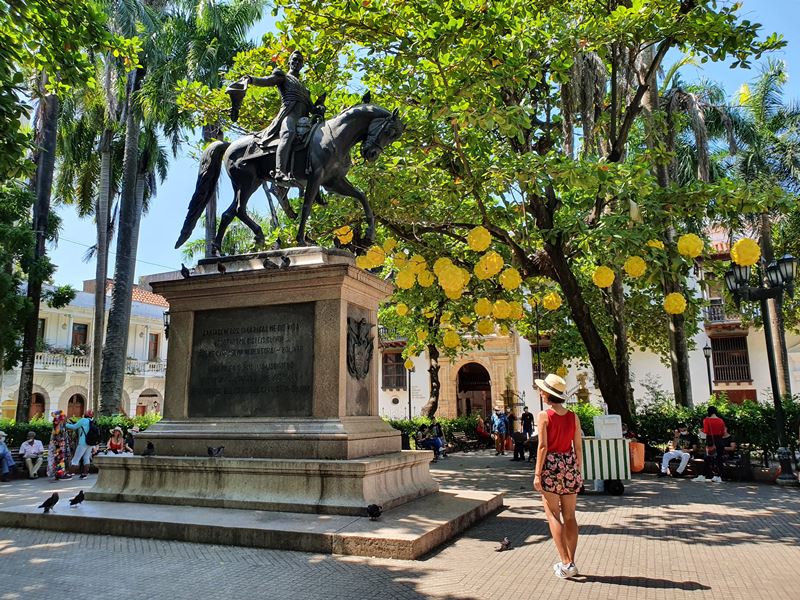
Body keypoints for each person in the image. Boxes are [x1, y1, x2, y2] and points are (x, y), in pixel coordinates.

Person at [532, 374, 583, 579]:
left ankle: (565, 562)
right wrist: (577, 468)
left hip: (551, 466)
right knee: (570, 515)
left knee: (552, 514)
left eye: (543, 390)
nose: (541, 392)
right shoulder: (573, 416)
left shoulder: (544, 415)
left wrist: (537, 474)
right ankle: (571, 560)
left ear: (548, 395)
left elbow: (542, 446)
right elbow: (578, 446)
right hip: (569, 464)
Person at [243, 50, 312, 184]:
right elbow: (267, 81)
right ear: (289, 62)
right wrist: (251, 79)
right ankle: (279, 171)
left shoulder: (305, 90)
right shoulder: (284, 77)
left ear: (302, 66)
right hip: (289, 115)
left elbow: (311, 108)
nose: (296, 62)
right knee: (288, 133)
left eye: (299, 61)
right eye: (294, 59)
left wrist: (319, 107)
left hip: (304, 121)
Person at [695, 406, 726, 483]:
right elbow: (723, 432)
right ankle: (719, 476)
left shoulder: (706, 420)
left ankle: (703, 475)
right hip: (719, 440)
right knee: (719, 459)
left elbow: (706, 431)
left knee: (707, 458)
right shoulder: (721, 420)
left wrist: (701, 430)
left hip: (710, 441)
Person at [66, 410, 94, 479]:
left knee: (76, 459)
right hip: (90, 443)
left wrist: (65, 424)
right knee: (86, 458)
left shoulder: (83, 420)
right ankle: (85, 474)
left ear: (85, 414)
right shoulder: (92, 421)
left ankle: (69, 474)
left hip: (82, 442)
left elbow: (74, 427)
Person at [47, 411, 72, 480]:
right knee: (59, 459)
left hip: (60, 445)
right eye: (64, 418)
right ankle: (60, 474)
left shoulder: (60, 425)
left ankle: (59, 474)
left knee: (60, 459)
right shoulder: (57, 424)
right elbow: (57, 433)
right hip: (58, 446)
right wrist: (57, 418)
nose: (65, 419)